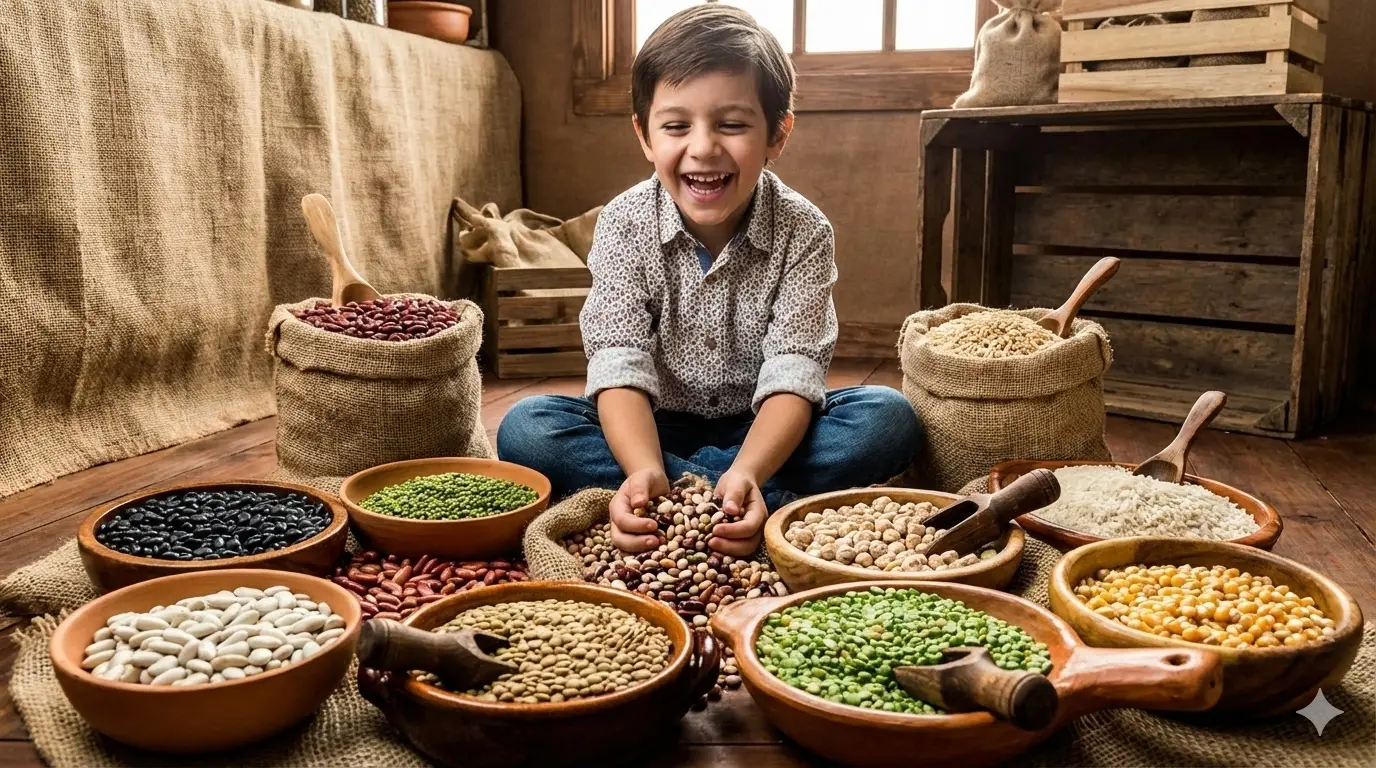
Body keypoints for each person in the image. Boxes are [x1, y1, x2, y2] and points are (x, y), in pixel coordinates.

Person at [497, 4, 920, 557]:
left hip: (766, 429)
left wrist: (749, 467)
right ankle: (737, 496)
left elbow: (796, 371)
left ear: (778, 134)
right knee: (527, 428)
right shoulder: (624, 224)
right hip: (651, 427)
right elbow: (617, 360)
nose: (702, 147)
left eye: (732, 124)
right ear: (645, 136)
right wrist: (644, 465)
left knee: (887, 419)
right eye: (676, 126)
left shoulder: (804, 229)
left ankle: (724, 489)